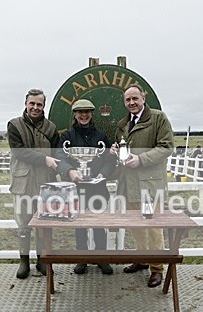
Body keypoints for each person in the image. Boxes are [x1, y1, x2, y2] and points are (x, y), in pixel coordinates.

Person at [111, 84, 174, 288]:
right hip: (128, 185)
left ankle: (157, 269)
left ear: (143, 98)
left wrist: (142, 159)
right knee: (135, 226)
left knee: (153, 227)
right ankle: (142, 258)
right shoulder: (123, 125)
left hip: (149, 187)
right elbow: (124, 150)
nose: (132, 103)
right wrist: (116, 150)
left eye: (135, 98)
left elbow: (166, 147)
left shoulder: (158, 118)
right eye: (128, 100)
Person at [55, 99, 115, 275]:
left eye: (87, 111)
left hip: (98, 188)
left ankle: (101, 258)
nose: (84, 115)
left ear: (92, 114)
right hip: (76, 189)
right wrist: (70, 172)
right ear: (75, 114)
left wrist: (103, 174)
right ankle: (81, 258)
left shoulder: (101, 136)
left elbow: (110, 161)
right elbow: (60, 159)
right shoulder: (66, 137)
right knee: (79, 225)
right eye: (80, 112)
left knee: (99, 224)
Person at [7, 88, 59, 279]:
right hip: (23, 183)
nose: (35, 107)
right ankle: (24, 262)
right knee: (23, 224)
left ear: (44, 106)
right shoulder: (14, 125)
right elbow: (19, 152)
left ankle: (41, 261)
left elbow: (55, 154)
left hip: (45, 183)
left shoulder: (51, 128)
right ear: (26, 104)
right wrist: (44, 159)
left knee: (44, 223)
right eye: (32, 104)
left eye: (39, 104)